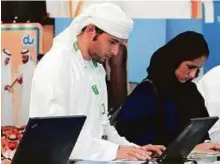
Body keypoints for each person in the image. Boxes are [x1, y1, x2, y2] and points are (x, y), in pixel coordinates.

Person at [29, 3, 164, 162]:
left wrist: (135, 150)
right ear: (91, 30)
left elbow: (103, 128)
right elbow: (55, 137)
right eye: (112, 42)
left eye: (119, 45)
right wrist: (114, 151)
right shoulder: (56, 64)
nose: (115, 52)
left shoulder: (97, 70)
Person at [116, 31, 220, 153]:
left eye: (197, 69)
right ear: (175, 60)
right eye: (190, 67)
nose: (192, 75)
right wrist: (186, 149)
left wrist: (215, 146)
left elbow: (200, 133)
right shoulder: (147, 91)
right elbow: (132, 139)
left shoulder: (191, 91)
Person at [17, 49, 37, 125]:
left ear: (28, 56)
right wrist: (20, 81)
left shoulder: (33, 66)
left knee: (30, 110)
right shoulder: (20, 67)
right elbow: (19, 82)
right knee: (23, 110)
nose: (23, 59)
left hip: (31, 93)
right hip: (22, 94)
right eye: (22, 57)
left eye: (25, 57)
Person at [1, 49, 13, 126]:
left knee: (7, 111)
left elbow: (12, 78)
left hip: (7, 94)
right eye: (6, 58)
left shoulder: (9, 67)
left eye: (9, 59)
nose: (7, 61)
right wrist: (3, 86)